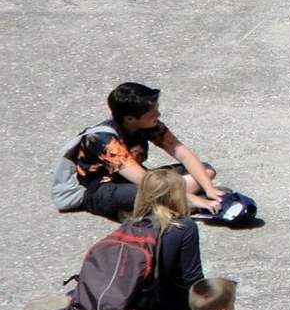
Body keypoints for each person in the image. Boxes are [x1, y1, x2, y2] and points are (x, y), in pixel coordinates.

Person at [23, 169, 206, 310]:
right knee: (187, 299)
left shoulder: (132, 222)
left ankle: (76, 297)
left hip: (116, 302)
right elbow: (193, 277)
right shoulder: (184, 227)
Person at [66, 82, 223, 221]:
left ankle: (163, 204)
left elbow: (180, 151)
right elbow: (145, 181)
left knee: (206, 171)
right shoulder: (104, 140)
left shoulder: (148, 125)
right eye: (152, 114)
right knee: (146, 192)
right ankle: (158, 207)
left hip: (138, 180)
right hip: (103, 190)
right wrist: (196, 200)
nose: (158, 115)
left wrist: (209, 188)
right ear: (130, 119)